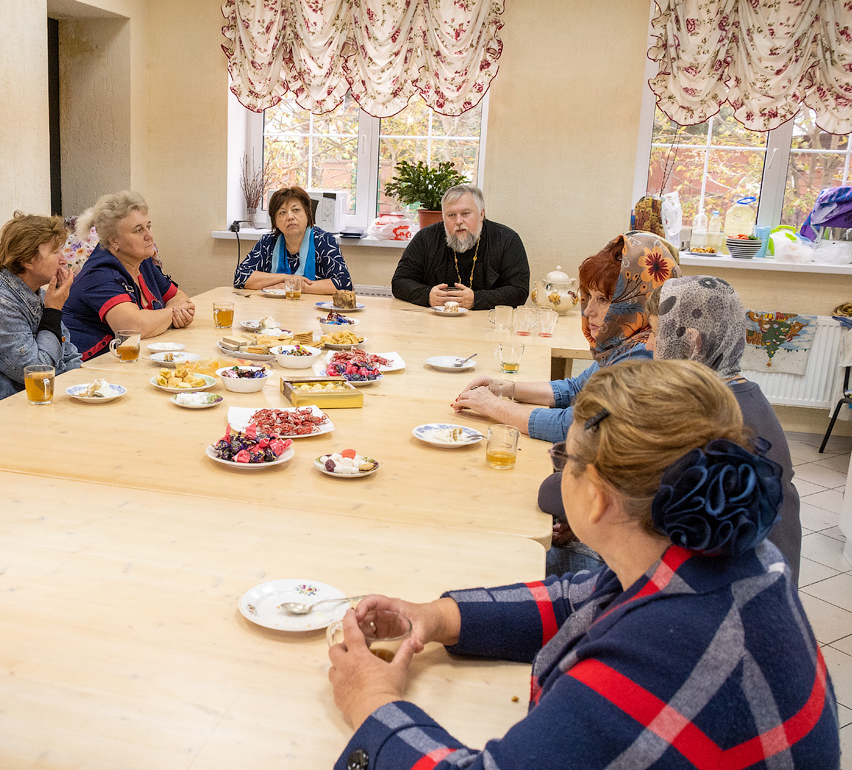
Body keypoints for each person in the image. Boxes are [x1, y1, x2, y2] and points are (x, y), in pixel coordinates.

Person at [327, 360, 840, 770]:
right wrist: (436, 617)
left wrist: (372, 700)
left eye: (566, 458)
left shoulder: (660, 659)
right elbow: (581, 596)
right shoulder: (717, 546)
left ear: (596, 498)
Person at [646, 275, 803, 584]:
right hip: (764, 580)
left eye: (654, 333)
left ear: (692, 342)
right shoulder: (745, 394)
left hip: (740, 589)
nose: (648, 344)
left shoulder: (709, 416)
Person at [452, 231, 680, 443]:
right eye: (589, 296)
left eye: (603, 300)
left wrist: (494, 407)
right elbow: (576, 389)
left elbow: (575, 426)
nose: (588, 310)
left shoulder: (643, 354)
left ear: (638, 300)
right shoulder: (626, 341)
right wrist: (503, 388)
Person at [0, 212, 82, 403]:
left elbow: (69, 356)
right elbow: (39, 372)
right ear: (28, 260)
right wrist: (53, 311)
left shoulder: (38, 294)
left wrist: (86, 388)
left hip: (42, 404)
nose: (63, 259)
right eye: (55, 252)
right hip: (3, 417)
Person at [62, 191, 196, 359]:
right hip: (89, 370)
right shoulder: (100, 274)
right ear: (114, 241)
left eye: (149, 225)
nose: (149, 235)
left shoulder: (141, 261)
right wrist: (174, 313)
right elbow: (133, 327)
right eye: (138, 230)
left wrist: (171, 313)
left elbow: (181, 298)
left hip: (128, 360)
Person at [391, 184, 529, 310]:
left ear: (481, 214)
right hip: (434, 324)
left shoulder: (506, 239)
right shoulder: (426, 238)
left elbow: (519, 290)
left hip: (487, 324)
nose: (458, 221)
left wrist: (477, 299)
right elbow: (399, 282)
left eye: (465, 213)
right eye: (451, 215)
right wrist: (427, 296)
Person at [232, 186, 353, 295]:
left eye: (296, 210)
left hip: (313, 313)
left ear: (307, 214)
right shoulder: (268, 242)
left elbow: (344, 284)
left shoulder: (324, 240)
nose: (290, 217)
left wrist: (296, 286)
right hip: (273, 311)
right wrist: (286, 278)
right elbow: (241, 277)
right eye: (282, 212)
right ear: (275, 222)